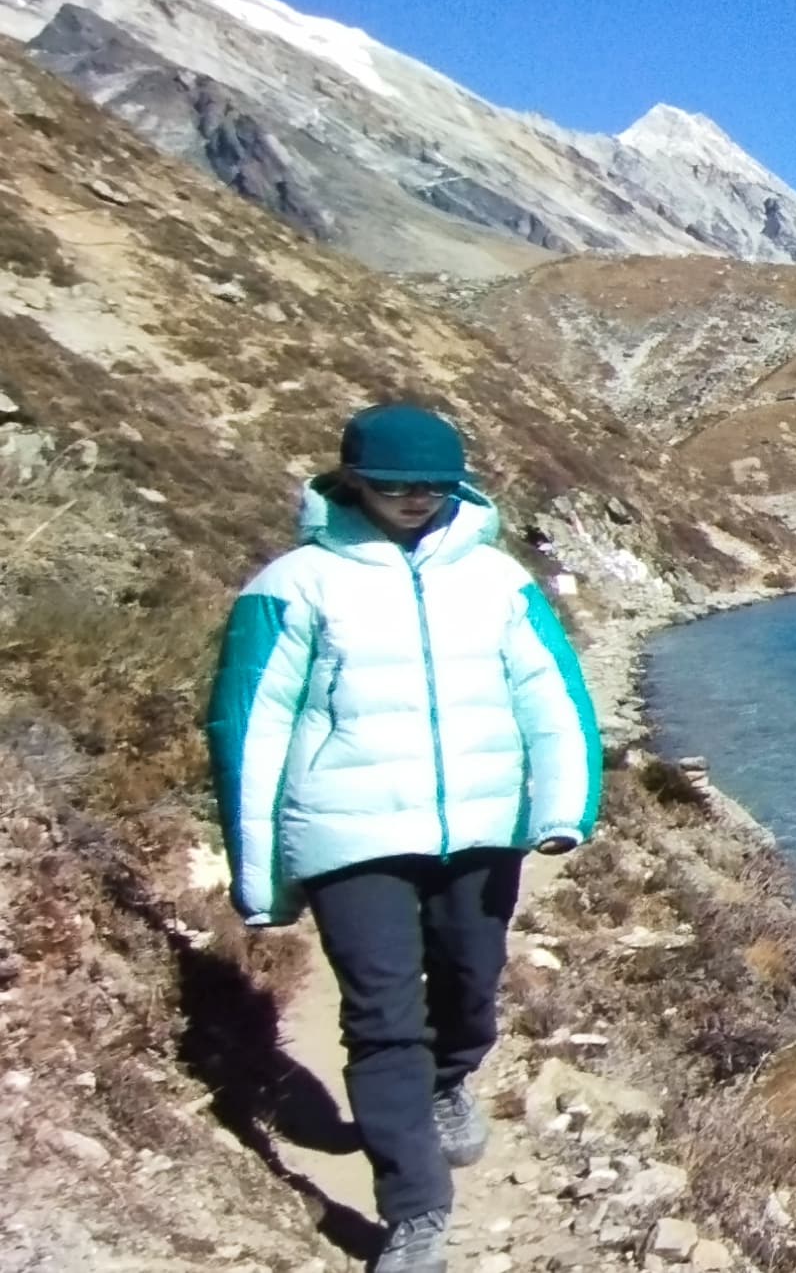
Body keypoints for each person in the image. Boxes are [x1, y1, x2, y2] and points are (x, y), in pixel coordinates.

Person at [204, 404, 602, 1273]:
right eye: (393, 486)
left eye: (433, 485)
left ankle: (452, 1078)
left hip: (480, 822)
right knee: (381, 1018)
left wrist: (564, 807)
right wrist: (261, 867)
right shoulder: (292, 584)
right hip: (350, 831)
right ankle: (416, 1208)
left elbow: (550, 691)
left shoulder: (497, 580)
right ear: (352, 482)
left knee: (470, 979)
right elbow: (251, 724)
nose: (416, 500)